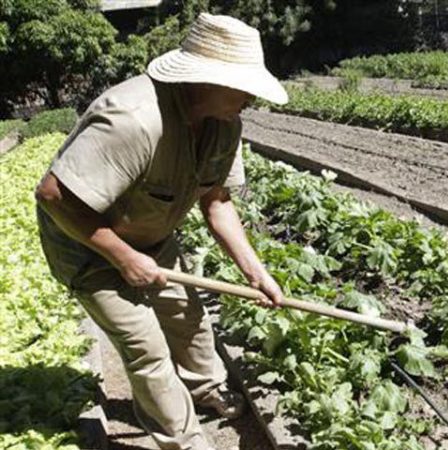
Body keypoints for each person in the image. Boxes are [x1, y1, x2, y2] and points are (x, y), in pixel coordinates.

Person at [35, 13, 287, 450]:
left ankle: (205, 387)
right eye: (245, 87)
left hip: (151, 234)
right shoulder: (134, 119)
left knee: (188, 316)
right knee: (145, 347)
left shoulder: (225, 125)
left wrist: (254, 272)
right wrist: (124, 258)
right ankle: (181, 438)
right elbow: (54, 196)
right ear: (210, 81)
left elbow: (217, 202)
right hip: (86, 243)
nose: (252, 97)